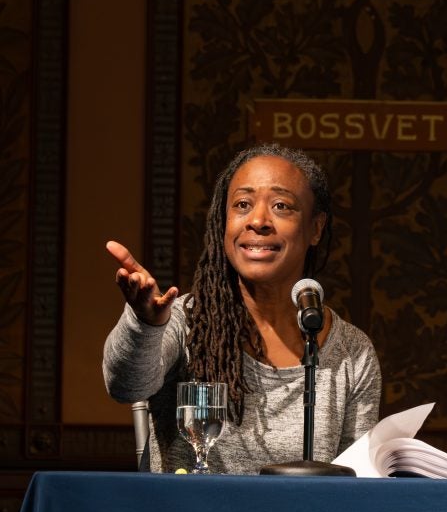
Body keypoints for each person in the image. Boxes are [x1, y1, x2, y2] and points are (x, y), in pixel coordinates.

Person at [103, 143, 381, 474]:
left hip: (304, 511)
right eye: (242, 204)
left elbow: (357, 481)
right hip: (192, 510)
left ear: (316, 228)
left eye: (281, 206)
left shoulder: (352, 352)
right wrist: (145, 325)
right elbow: (126, 386)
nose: (258, 220)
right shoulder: (186, 321)